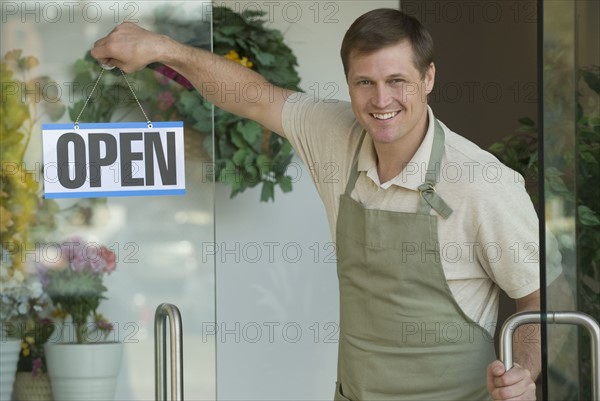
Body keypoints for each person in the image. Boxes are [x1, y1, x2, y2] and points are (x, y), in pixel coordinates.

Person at [92, 8, 541, 401]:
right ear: (348, 82)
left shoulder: (483, 182)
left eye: (397, 81)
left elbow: (536, 298)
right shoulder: (336, 133)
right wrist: (163, 48)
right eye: (365, 82)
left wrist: (523, 372)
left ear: (428, 79)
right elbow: (251, 96)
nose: (381, 101)